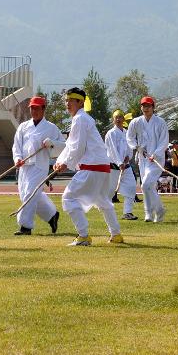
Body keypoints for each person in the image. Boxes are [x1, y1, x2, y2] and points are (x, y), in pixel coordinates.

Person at [53, 88, 123, 246]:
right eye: (66, 100)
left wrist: (66, 163)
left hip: (92, 166)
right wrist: (61, 160)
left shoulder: (80, 119)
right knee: (103, 201)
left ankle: (83, 235)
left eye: (71, 100)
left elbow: (78, 147)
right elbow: (71, 145)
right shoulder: (82, 118)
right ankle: (116, 234)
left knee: (68, 198)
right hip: (102, 166)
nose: (67, 103)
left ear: (80, 102)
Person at [12, 96, 65, 235]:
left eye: (37, 108)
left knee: (30, 194)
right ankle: (52, 215)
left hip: (39, 166)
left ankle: (25, 226)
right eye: (32, 108)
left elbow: (63, 146)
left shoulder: (51, 128)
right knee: (28, 194)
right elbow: (16, 145)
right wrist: (17, 158)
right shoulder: (23, 127)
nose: (34, 111)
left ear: (43, 109)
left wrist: (51, 143)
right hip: (24, 166)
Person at [126, 95, 169, 223]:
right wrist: (136, 147)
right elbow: (130, 137)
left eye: (148, 106)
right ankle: (152, 213)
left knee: (145, 185)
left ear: (153, 107)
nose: (146, 108)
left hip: (156, 160)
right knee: (148, 187)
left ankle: (156, 211)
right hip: (143, 159)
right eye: (144, 106)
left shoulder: (160, 122)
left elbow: (164, 141)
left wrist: (155, 154)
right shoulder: (136, 122)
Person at [105, 110, 137, 220]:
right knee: (110, 191)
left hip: (126, 166)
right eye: (116, 117)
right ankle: (106, 211)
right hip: (114, 167)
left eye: (120, 117)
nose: (118, 119)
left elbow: (130, 146)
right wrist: (119, 163)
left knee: (131, 187)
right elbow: (112, 150)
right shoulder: (110, 133)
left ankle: (127, 212)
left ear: (123, 119)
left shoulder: (126, 132)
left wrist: (128, 156)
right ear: (113, 120)